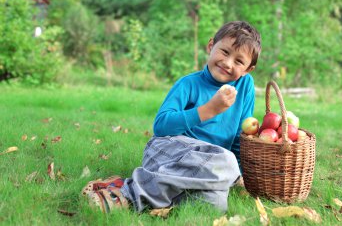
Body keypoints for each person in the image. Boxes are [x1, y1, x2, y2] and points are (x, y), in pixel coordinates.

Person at [82, 21, 261, 213]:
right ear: (211, 46)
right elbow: (161, 126)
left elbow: (237, 138)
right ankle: (127, 193)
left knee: (214, 207)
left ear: (248, 69)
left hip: (208, 166)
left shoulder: (244, 86)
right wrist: (209, 109)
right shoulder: (188, 84)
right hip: (168, 153)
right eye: (225, 52)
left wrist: (241, 177)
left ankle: (130, 186)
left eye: (238, 61)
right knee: (226, 162)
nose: (227, 63)